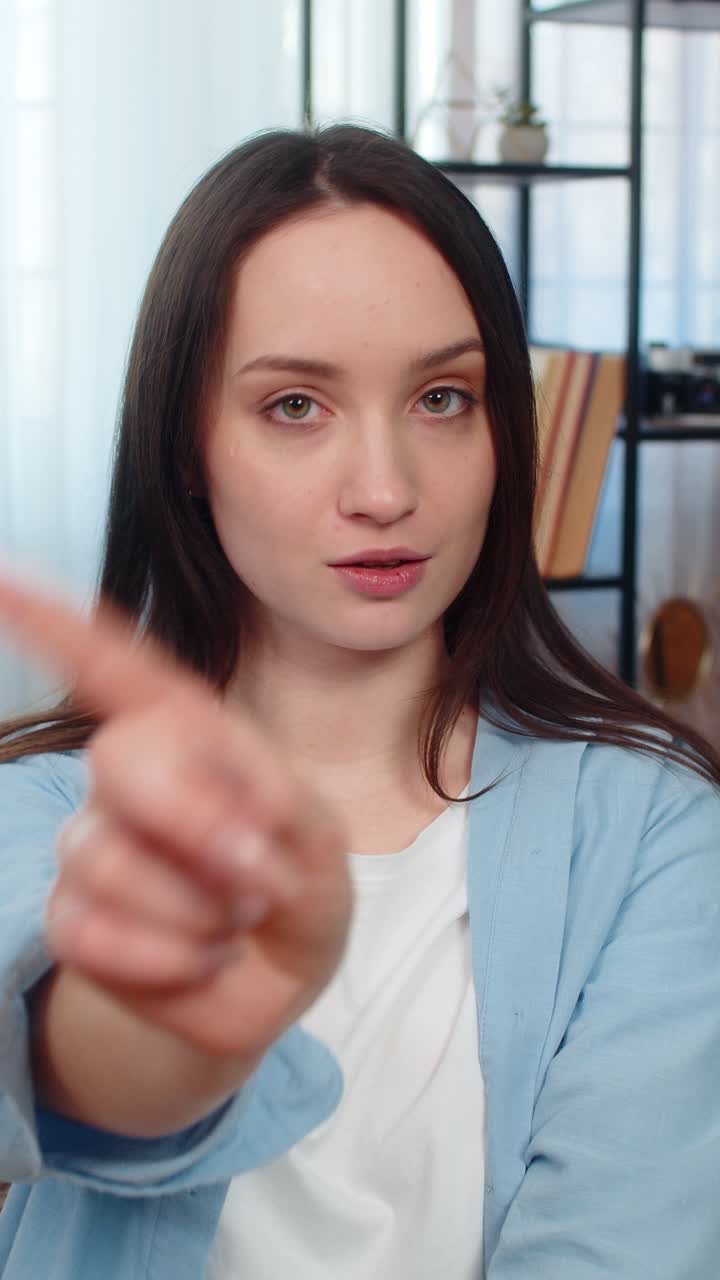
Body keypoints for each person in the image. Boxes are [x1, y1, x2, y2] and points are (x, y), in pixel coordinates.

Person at [0, 124, 718, 1280]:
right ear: (187, 444)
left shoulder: (653, 828)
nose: (386, 489)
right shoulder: (39, 810)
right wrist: (180, 1014)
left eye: (443, 397)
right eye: (295, 406)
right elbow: (58, 1058)